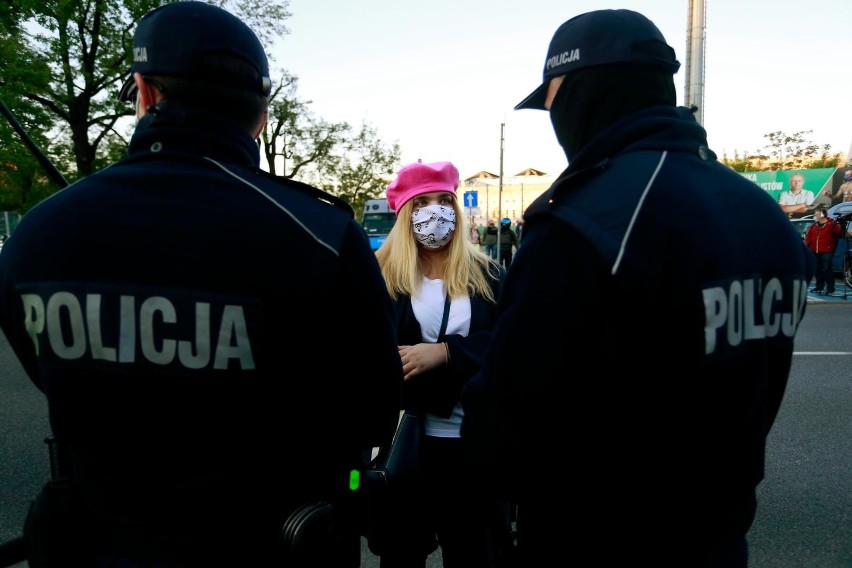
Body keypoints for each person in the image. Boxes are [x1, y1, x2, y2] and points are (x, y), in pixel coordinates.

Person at [0, 3, 402, 567]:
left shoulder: (37, 234)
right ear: (261, 115)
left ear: (144, 91)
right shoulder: (319, 236)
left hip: (93, 541)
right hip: (267, 543)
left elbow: (49, 372)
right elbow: (371, 407)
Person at [461, 8, 814, 568]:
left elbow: (509, 410)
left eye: (551, 101)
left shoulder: (585, 220)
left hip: (598, 539)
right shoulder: (761, 213)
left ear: (581, 93)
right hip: (718, 537)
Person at [370, 160, 508, 568]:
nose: (436, 211)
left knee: (472, 553)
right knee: (400, 554)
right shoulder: (381, 276)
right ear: (405, 215)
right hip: (405, 444)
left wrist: (447, 352)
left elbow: (512, 342)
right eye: (423, 202)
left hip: (472, 446)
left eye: (444, 200)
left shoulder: (488, 275)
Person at [805, 207, 842, 295]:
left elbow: (838, 232)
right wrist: (804, 247)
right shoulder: (814, 225)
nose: (815, 216)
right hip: (815, 250)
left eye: (816, 214)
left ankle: (830, 289)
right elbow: (809, 237)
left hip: (827, 250)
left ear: (822, 215)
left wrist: (839, 225)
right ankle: (819, 287)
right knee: (817, 269)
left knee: (827, 269)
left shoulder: (832, 224)